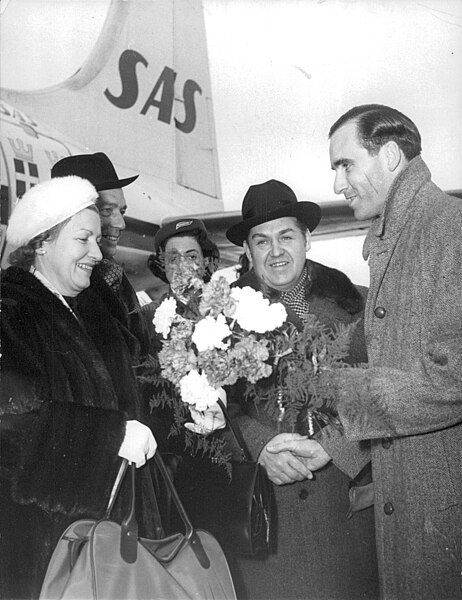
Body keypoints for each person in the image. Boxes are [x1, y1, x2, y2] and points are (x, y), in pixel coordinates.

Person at [269, 105, 462, 599]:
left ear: (392, 156)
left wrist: (339, 387)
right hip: (415, 516)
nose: (338, 184)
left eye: (345, 164)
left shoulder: (448, 231)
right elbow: (401, 384)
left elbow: (452, 380)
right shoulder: (397, 235)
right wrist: (331, 447)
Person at [0, 176, 157, 599]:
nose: (96, 252)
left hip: (107, 544)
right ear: (41, 243)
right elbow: (11, 425)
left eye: (96, 239)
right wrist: (110, 436)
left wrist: (190, 408)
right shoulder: (9, 312)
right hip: (38, 551)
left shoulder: (93, 308)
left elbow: (134, 393)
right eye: (83, 239)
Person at [222, 179, 379, 600]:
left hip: (345, 523)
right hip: (268, 533)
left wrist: (339, 445)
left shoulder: (360, 307)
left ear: (307, 238)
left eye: (286, 236)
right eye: (261, 241)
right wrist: (260, 448)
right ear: (249, 251)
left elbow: (388, 395)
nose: (275, 252)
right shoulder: (216, 324)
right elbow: (208, 412)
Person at [51, 152, 150, 363]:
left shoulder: (112, 273)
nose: (121, 224)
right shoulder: (52, 286)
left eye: (121, 211)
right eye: (106, 210)